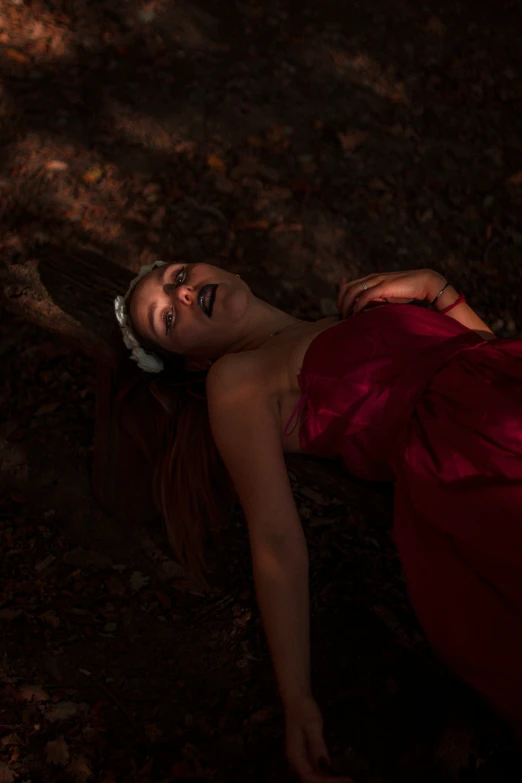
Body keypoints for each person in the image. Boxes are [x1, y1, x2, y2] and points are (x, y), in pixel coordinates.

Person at [114, 262, 522, 783]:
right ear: (193, 361)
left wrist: (437, 290)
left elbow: (482, 360)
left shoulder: (339, 315)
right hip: (473, 459)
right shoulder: (238, 378)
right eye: (168, 317)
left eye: (178, 276)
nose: (185, 293)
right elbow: (276, 539)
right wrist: (297, 698)